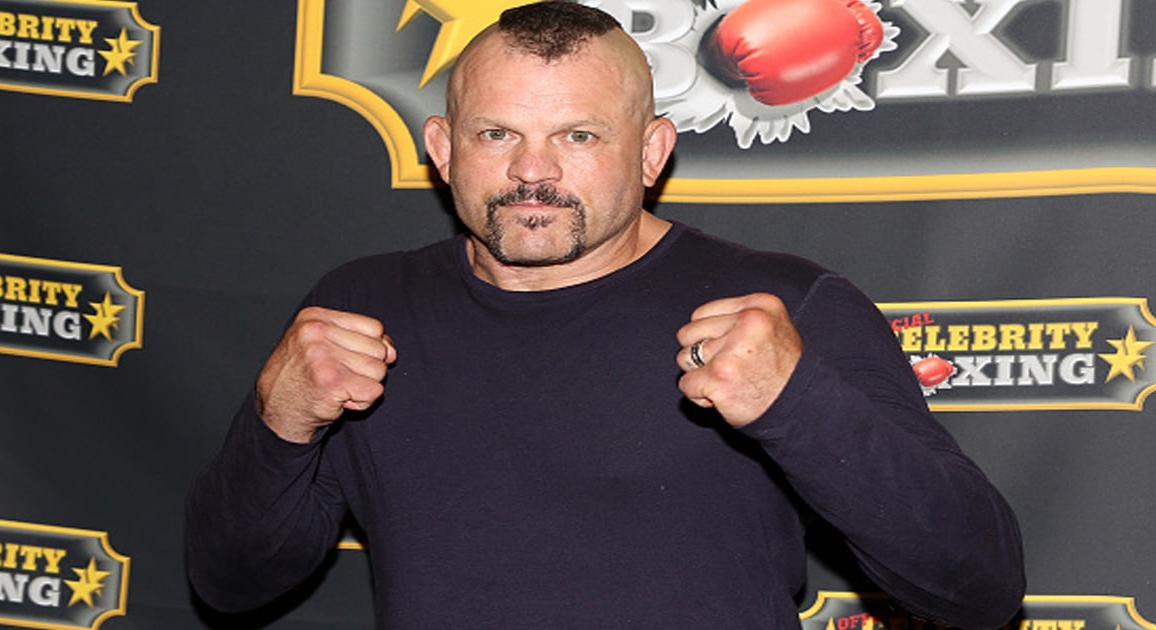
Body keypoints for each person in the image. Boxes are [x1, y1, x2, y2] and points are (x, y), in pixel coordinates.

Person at [185, 2, 1025, 628]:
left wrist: (800, 403)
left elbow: (978, 586)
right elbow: (231, 583)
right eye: (496, 135)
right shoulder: (363, 305)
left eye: (579, 136)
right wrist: (279, 422)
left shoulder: (782, 307)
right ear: (441, 148)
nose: (533, 171)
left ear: (653, 150)